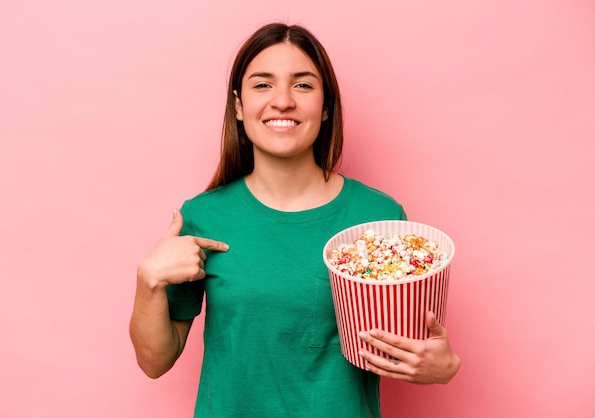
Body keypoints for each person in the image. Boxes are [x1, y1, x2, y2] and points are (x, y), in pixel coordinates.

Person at [129, 22, 460, 417]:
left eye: (302, 85)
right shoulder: (203, 218)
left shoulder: (380, 219)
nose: (282, 101)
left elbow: (408, 342)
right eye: (262, 85)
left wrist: (443, 366)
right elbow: (154, 362)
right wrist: (147, 280)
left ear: (325, 108)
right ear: (238, 105)